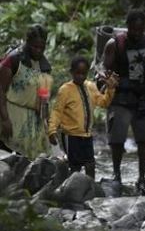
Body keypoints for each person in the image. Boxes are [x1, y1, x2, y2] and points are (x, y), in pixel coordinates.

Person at [101, 10, 145, 195]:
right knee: (117, 139)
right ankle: (116, 174)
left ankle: (142, 178)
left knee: (144, 140)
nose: (138, 33)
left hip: (142, 96)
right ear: (128, 26)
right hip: (121, 97)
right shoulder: (115, 44)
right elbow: (104, 68)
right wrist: (108, 81)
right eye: (134, 29)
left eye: (141, 29)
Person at [48, 56, 118, 179]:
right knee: (75, 166)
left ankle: (90, 188)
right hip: (71, 135)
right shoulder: (65, 90)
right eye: (78, 73)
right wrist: (52, 130)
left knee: (90, 164)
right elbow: (57, 111)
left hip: (87, 135)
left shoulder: (90, 86)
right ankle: (72, 189)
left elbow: (104, 102)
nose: (81, 76)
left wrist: (110, 88)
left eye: (83, 73)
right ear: (72, 72)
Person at [0, 25, 53, 159]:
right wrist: (5, 120)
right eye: (35, 47)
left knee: (32, 161)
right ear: (28, 43)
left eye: (41, 47)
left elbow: (44, 97)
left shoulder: (44, 66)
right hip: (11, 114)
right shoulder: (13, 60)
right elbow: (1, 90)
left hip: (33, 121)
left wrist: (48, 125)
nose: (38, 50)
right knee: (7, 156)